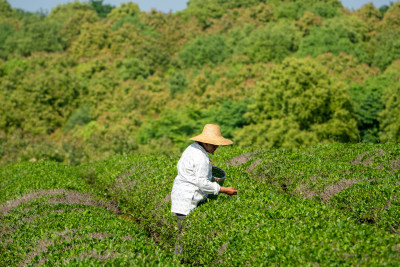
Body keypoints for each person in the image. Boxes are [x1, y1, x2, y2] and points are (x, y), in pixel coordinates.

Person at [170, 124, 238, 254]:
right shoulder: (201, 157)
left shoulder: (191, 149)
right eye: (214, 144)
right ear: (205, 143)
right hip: (187, 200)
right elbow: (202, 183)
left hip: (180, 196)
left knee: (183, 235)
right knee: (184, 237)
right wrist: (224, 190)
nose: (216, 147)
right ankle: (178, 262)